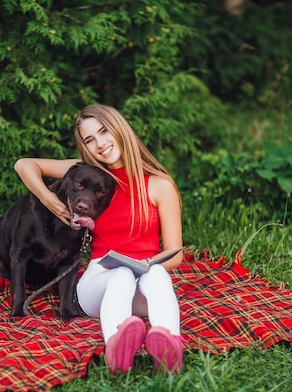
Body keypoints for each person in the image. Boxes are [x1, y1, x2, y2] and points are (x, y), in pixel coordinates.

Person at [14, 104, 187, 374]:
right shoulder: (87, 173)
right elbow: (24, 164)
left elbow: (176, 254)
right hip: (99, 282)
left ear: (119, 128)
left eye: (104, 131)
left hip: (145, 278)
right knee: (120, 275)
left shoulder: (159, 185)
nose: (100, 143)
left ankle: (168, 346)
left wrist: (143, 264)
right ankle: (116, 348)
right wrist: (49, 200)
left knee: (157, 277)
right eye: (90, 139)